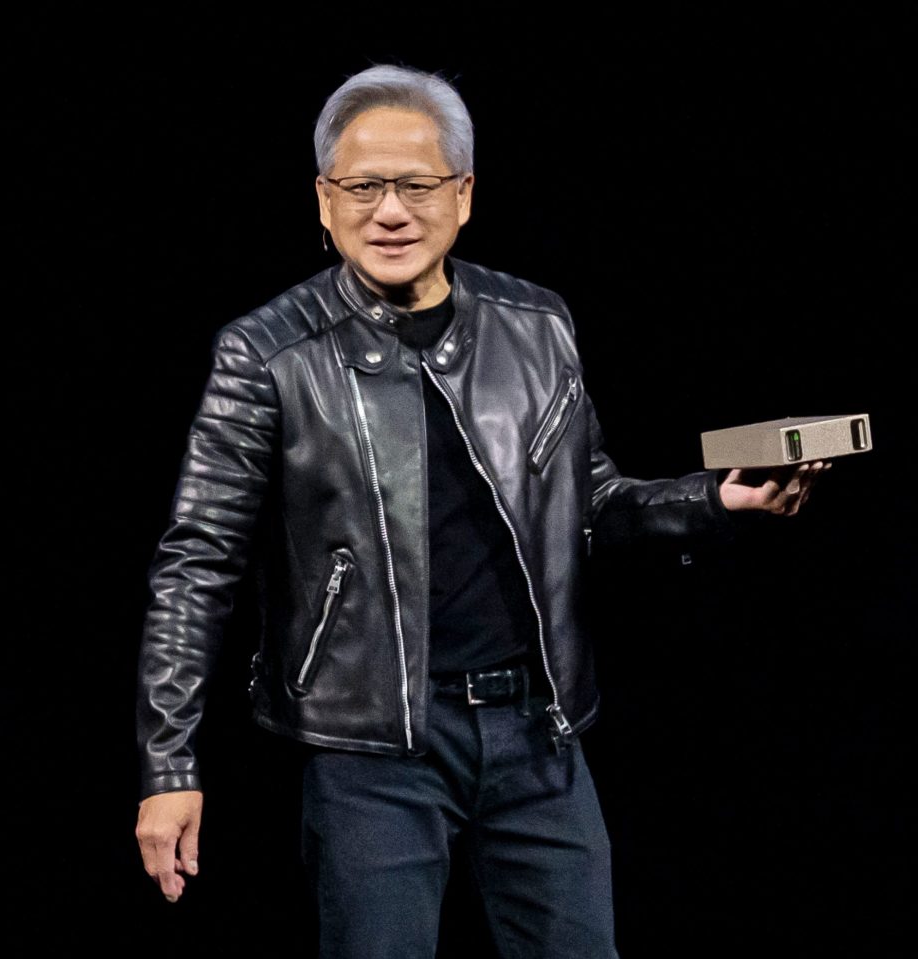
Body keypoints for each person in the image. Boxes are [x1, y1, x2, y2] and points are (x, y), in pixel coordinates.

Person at [134, 63, 830, 957]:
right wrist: (170, 763)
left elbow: (591, 502)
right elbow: (197, 564)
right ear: (323, 200)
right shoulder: (267, 353)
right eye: (363, 186)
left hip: (537, 731)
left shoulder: (536, 326)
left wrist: (714, 500)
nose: (391, 210)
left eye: (418, 185)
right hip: (372, 749)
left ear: (462, 195)